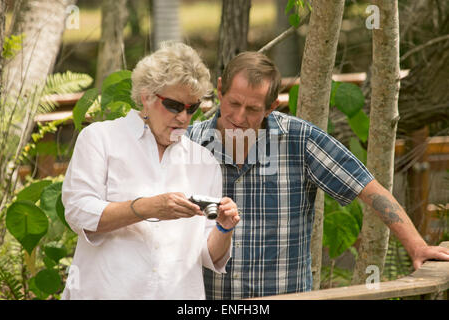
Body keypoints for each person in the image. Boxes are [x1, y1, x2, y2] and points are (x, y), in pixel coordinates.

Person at [187, 51, 449, 299]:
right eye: (234, 103)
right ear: (220, 90)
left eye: (253, 109)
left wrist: (417, 246)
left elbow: (368, 188)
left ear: (271, 106)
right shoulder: (189, 144)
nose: (240, 117)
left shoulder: (300, 140)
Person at [61, 42, 240, 300]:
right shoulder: (100, 138)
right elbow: (78, 212)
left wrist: (224, 229)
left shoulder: (204, 161)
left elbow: (207, 255)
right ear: (147, 96)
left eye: (192, 108)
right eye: (175, 106)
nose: (184, 118)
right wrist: (147, 208)